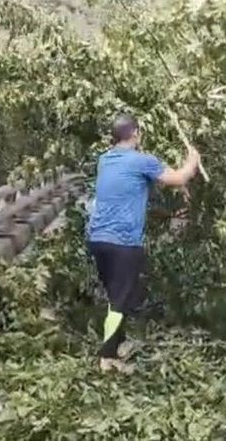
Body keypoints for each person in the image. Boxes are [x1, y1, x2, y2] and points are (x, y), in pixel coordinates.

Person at [86, 113, 200, 373]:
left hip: (98, 240)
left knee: (118, 296)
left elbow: (131, 183)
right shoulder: (142, 161)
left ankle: (116, 345)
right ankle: (107, 359)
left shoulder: (105, 160)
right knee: (120, 300)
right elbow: (179, 178)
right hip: (123, 242)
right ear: (136, 133)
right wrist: (192, 161)